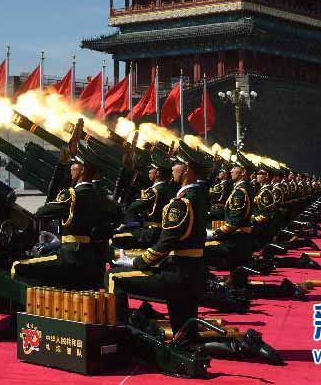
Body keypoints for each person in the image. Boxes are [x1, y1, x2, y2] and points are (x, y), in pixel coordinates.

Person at [105, 141, 208, 335]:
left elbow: (164, 246)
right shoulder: (199, 194)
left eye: (176, 164)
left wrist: (136, 262)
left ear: (186, 169)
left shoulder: (182, 202)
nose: (173, 168)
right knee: (185, 336)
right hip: (193, 272)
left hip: (178, 274)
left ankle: (116, 336)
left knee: (113, 276)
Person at [11, 144, 111, 290]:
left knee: (18, 267)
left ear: (82, 169)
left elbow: (42, 212)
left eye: (74, 165)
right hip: (89, 257)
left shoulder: (71, 195)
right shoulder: (99, 196)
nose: (71, 168)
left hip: (70, 256)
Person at [109, 149, 176, 251]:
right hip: (161, 231)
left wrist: (115, 206)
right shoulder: (169, 189)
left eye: (151, 169)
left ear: (157, 172)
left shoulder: (154, 191)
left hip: (150, 234)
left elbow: (133, 208)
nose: (149, 171)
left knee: (116, 237)